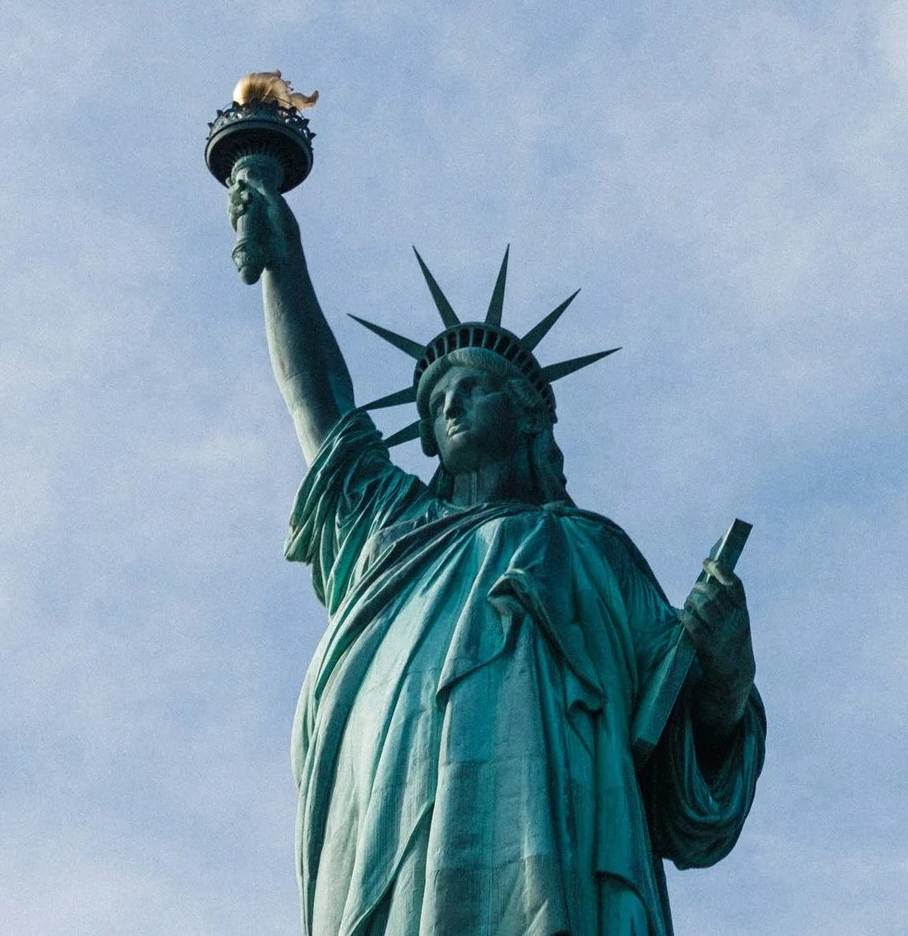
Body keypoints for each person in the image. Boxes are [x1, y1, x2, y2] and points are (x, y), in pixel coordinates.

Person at [228, 156, 763, 936]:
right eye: (435, 400)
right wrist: (284, 261)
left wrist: (725, 673)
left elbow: (686, 769)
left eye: (470, 388)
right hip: (395, 818)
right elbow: (324, 413)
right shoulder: (388, 529)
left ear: (529, 417)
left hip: (559, 842)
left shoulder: (592, 552)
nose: (449, 404)